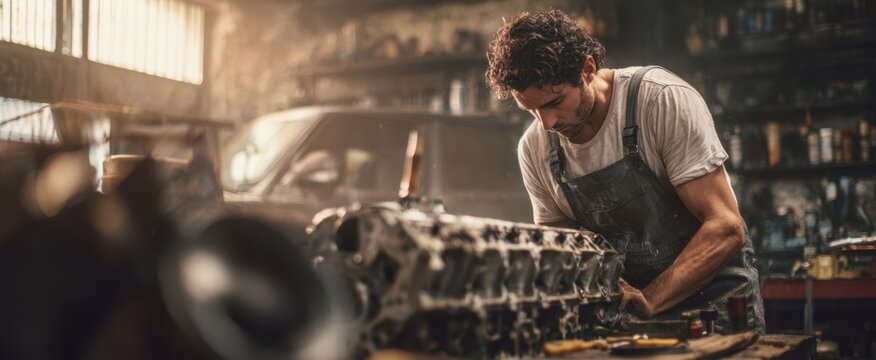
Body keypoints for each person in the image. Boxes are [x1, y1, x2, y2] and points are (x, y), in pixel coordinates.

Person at [485, 10, 764, 332]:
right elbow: (564, 252)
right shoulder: (535, 148)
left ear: (588, 69)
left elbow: (726, 227)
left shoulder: (660, 101)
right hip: (628, 318)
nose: (547, 123)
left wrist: (651, 298)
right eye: (531, 109)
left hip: (715, 306)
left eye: (554, 102)